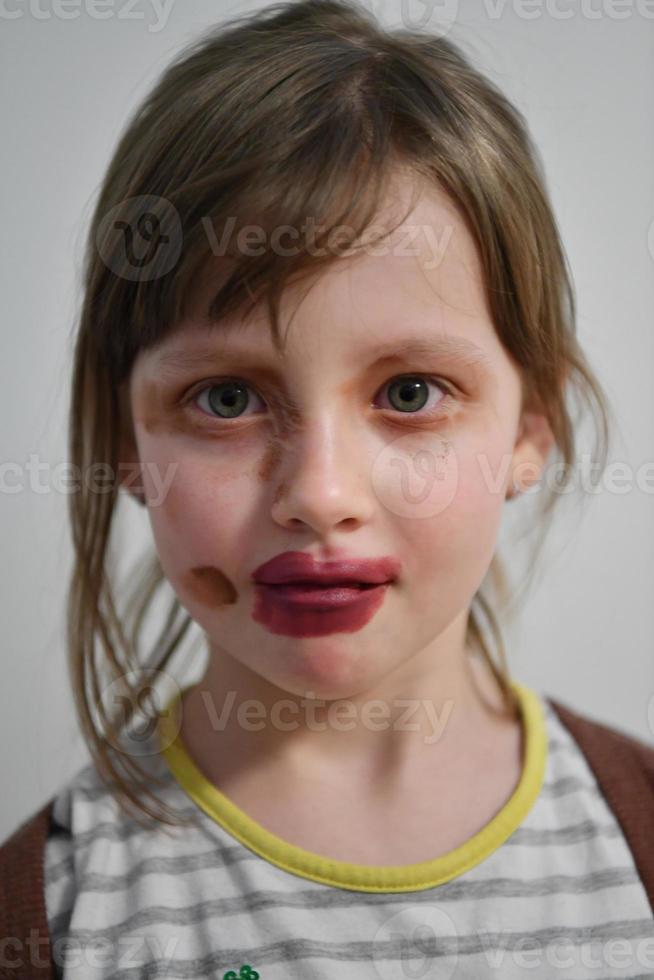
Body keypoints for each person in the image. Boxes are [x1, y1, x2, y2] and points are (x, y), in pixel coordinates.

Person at [1, 0, 653, 977]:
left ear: (528, 427)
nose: (319, 492)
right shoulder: (49, 917)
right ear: (122, 439)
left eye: (409, 392)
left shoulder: (637, 842)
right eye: (226, 398)